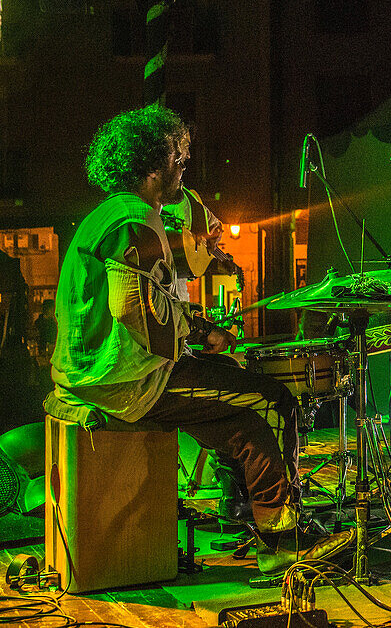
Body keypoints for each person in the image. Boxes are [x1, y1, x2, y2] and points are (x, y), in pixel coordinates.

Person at [50, 105, 351, 574]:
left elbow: (146, 305)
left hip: (104, 373)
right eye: (178, 159)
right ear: (153, 167)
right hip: (127, 383)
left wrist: (201, 329)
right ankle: (285, 541)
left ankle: (253, 522)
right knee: (274, 401)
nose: (183, 169)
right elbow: (142, 323)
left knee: (239, 394)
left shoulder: (110, 215)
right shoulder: (134, 220)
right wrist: (193, 332)